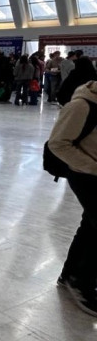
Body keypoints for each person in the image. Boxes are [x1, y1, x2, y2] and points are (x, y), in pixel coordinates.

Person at [48, 80, 97, 316]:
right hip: (84, 174)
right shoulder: (82, 105)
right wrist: (92, 166)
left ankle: (70, 274)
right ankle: (83, 282)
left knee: (90, 225)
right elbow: (57, 143)